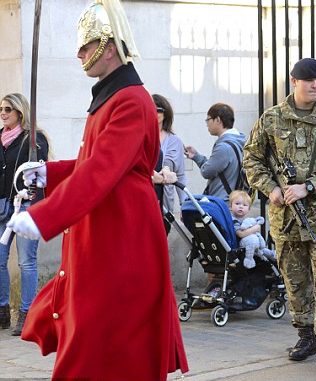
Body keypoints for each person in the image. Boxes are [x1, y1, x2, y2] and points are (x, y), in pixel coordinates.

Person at [6, 1, 188, 378]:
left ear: (108, 48)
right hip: (105, 226)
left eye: (87, 47)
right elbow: (93, 162)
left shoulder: (131, 101)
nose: (80, 54)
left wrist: (44, 217)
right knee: (91, 330)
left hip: (123, 232)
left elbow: (103, 172)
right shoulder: (113, 97)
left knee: (106, 335)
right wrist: (48, 173)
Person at [243, 58, 316, 364]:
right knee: (295, 278)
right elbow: (252, 159)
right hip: (287, 217)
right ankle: (304, 336)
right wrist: (271, 189)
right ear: (294, 82)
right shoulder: (272, 118)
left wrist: (311, 186)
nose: (315, 85)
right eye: (308, 80)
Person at [0, 93, 49, 336]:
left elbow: (40, 171)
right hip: (2, 207)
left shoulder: (34, 139)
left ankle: (27, 314)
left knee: (26, 261)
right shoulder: (0, 138)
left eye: (8, 109)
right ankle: (2, 311)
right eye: (1, 109)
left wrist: (32, 191)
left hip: (26, 206)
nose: (3, 113)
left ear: (20, 112)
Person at [185, 103, 246, 202]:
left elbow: (207, 171)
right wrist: (195, 156)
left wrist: (198, 158)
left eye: (208, 119)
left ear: (218, 120)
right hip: (234, 200)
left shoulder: (224, 147)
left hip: (222, 202)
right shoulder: (239, 140)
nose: (206, 124)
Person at [153, 94, 186, 212]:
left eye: (158, 110)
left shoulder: (175, 141)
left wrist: (184, 204)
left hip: (166, 200)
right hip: (145, 197)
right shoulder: (140, 138)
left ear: (165, 113)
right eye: (150, 108)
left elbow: (180, 174)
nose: (154, 112)